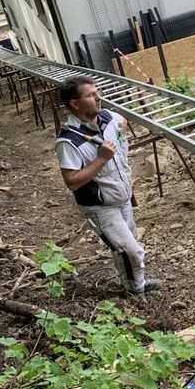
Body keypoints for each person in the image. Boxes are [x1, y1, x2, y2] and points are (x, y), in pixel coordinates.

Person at [55, 75, 162, 296]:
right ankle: (135, 291)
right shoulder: (69, 141)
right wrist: (101, 159)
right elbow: (72, 182)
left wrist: (122, 125)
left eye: (97, 92)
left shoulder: (108, 117)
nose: (98, 98)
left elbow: (122, 121)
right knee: (129, 250)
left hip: (121, 197)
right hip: (100, 206)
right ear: (75, 104)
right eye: (91, 95)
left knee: (125, 247)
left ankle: (135, 285)